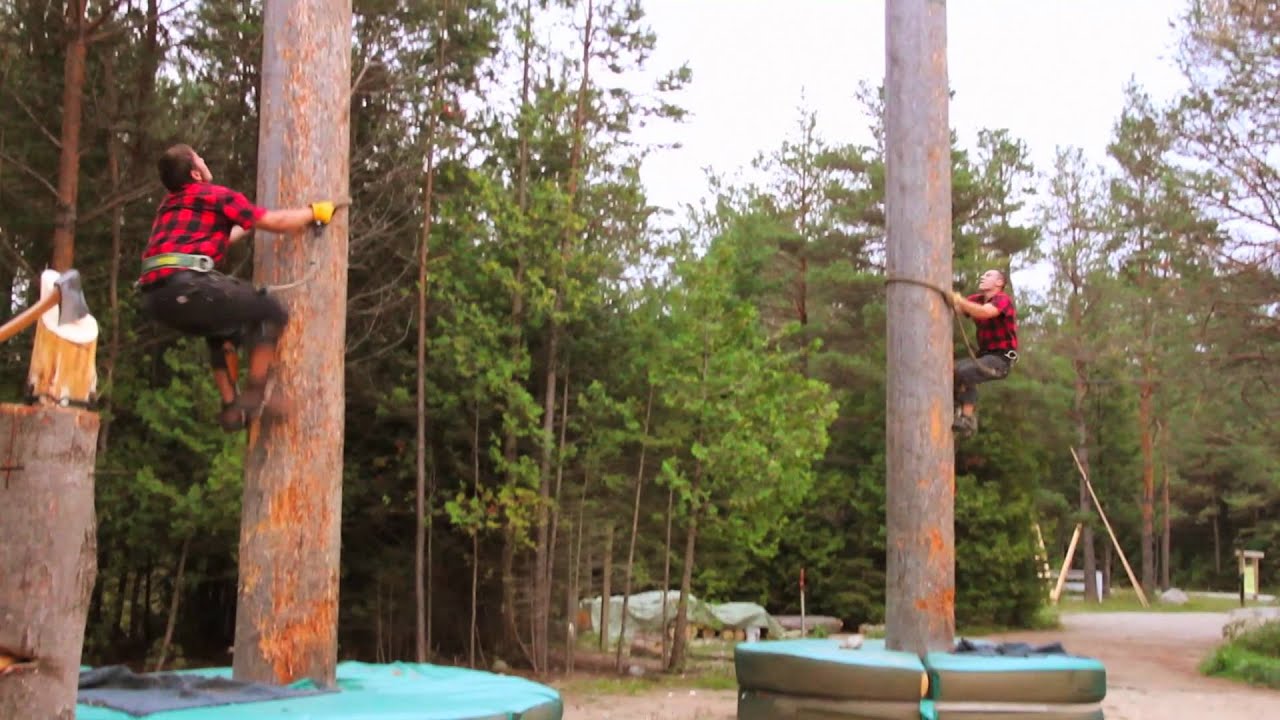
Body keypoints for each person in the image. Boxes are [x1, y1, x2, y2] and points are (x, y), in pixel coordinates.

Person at [137, 143, 339, 431]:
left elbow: (217, 239)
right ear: (196, 173)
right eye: (200, 159)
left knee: (222, 329)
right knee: (269, 309)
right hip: (188, 287)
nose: (205, 161)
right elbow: (278, 222)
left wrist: (249, 221)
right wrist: (312, 213)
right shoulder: (216, 196)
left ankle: (232, 408)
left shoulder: (170, 206)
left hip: (158, 300)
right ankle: (256, 394)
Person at [950, 269, 1018, 437]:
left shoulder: (1003, 300)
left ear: (999, 283)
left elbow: (985, 312)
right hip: (985, 356)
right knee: (951, 371)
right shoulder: (977, 299)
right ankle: (956, 407)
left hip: (1001, 358)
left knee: (965, 372)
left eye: (988, 275)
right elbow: (958, 309)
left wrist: (959, 300)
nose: (982, 277)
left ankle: (967, 418)